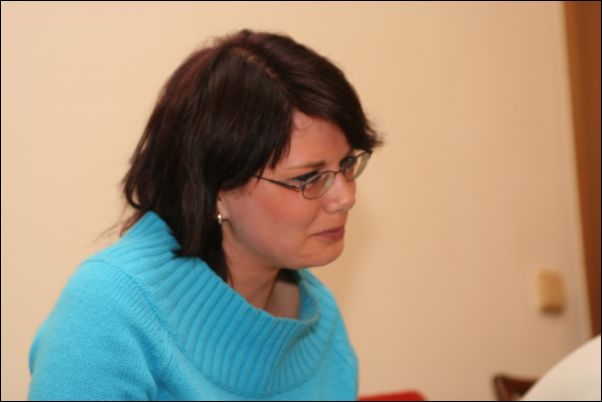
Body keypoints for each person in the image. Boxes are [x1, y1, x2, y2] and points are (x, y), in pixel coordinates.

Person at [27, 29, 381, 401]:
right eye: (308, 178)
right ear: (216, 189)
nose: (345, 197)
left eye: (346, 165)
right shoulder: (110, 309)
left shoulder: (320, 319)